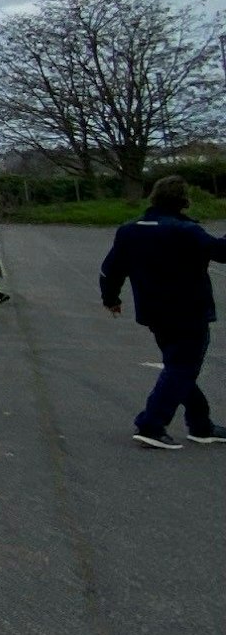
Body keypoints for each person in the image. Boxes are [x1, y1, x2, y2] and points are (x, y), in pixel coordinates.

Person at [98, 176, 226, 450]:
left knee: (177, 367)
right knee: (182, 368)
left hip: (154, 312)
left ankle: (201, 424)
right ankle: (151, 424)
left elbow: (110, 269)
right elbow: (222, 252)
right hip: (189, 311)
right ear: (183, 200)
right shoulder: (186, 231)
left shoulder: (130, 230)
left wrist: (111, 297)